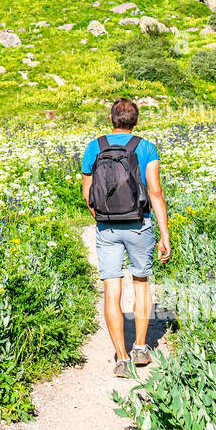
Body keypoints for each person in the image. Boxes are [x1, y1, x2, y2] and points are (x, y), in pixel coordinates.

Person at [79, 98, 170, 378]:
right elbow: (154, 192)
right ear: (136, 121)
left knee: (111, 289)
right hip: (140, 224)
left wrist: (103, 216)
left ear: (111, 120)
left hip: (107, 227)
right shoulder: (146, 147)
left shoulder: (94, 146)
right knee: (141, 284)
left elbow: (87, 192)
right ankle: (141, 347)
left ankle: (121, 357)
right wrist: (164, 234)